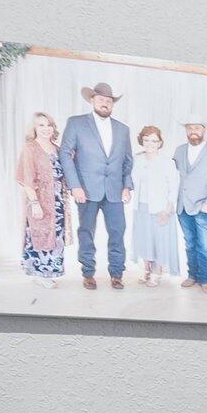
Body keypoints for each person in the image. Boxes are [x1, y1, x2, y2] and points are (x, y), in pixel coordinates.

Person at [57, 80, 132, 288]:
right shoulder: (76, 123)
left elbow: (127, 161)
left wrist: (126, 186)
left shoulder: (123, 129)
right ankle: (88, 272)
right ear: (92, 100)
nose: (105, 103)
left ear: (112, 104)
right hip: (86, 190)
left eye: (109, 100)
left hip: (115, 191)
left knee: (118, 232)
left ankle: (117, 273)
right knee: (86, 231)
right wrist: (75, 185)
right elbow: (65, 154)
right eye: (101, 99)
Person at [172, 119, 207, 292]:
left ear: (204, 130)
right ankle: (192, 275)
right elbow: (172, 177)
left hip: (203, 207)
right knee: (189, 243)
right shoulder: (179, 151)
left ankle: (205, 279)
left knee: (205, 245)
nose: (192, 130)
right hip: (182, 206)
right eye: (189, 128)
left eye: (196, 128)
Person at [16, 110, 65, 279]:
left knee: (55, 236)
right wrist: (35, 203)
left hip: (58, 200)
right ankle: (39, 273)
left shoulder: (58, 149)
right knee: (39, 235)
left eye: (49, 125)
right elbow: (26, 178)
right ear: (34, 128)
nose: (46, 128)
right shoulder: (30, 148)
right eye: (41, 125)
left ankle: (52, 271)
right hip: (39, 199)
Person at [130, 124, 180, 285]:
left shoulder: (167, 162)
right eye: (146, 140)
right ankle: (146, 270)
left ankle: (157, 272)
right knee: (144, 239)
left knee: (159, 240)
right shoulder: (136, 159)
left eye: (154, 141)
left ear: (160, 143)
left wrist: (168, 209)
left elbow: (174, 187)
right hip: (141, 206)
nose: (150, 144)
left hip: (160, 208)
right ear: (141, 141)